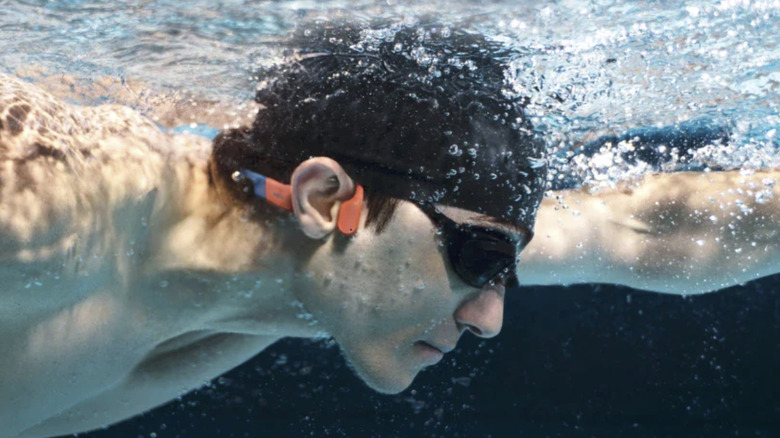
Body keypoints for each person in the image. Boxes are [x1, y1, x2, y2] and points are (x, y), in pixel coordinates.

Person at [0, 21, 777, 438]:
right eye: (481, 258)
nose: (491, 316)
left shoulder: (333, 271)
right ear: (322, 197)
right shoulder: (39, 207)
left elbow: (643, 228)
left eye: (506, 267)